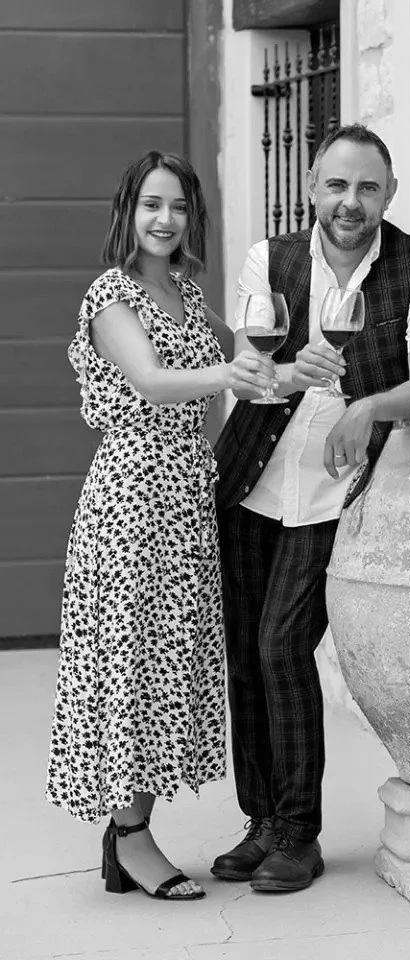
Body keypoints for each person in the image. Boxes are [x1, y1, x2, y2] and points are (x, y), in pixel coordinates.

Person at [211, 124, 410, 892]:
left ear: (389, 194)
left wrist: (364, 404)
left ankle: (299, 833)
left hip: (335, 491)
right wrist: (287, 372)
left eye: (368, 188)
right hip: (252, 476)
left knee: (283, 645)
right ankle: (261, 821)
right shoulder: (270, 259)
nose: (352, 203)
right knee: (245, 653)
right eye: (338, 186)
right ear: (313, 186)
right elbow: (247, 373)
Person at [46, 151, 275, 901]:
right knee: (128, 665)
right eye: (152, 204)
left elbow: (240, 362)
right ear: (127, 211)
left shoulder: (183, 289)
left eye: (178, 207)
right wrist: (230, 379)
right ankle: (130, 837)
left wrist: (288, 369)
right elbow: (149, 379)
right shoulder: (110, 294)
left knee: (163, 665)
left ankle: (130, 832)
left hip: (183, 499)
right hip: (129, 499)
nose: (165, 219)